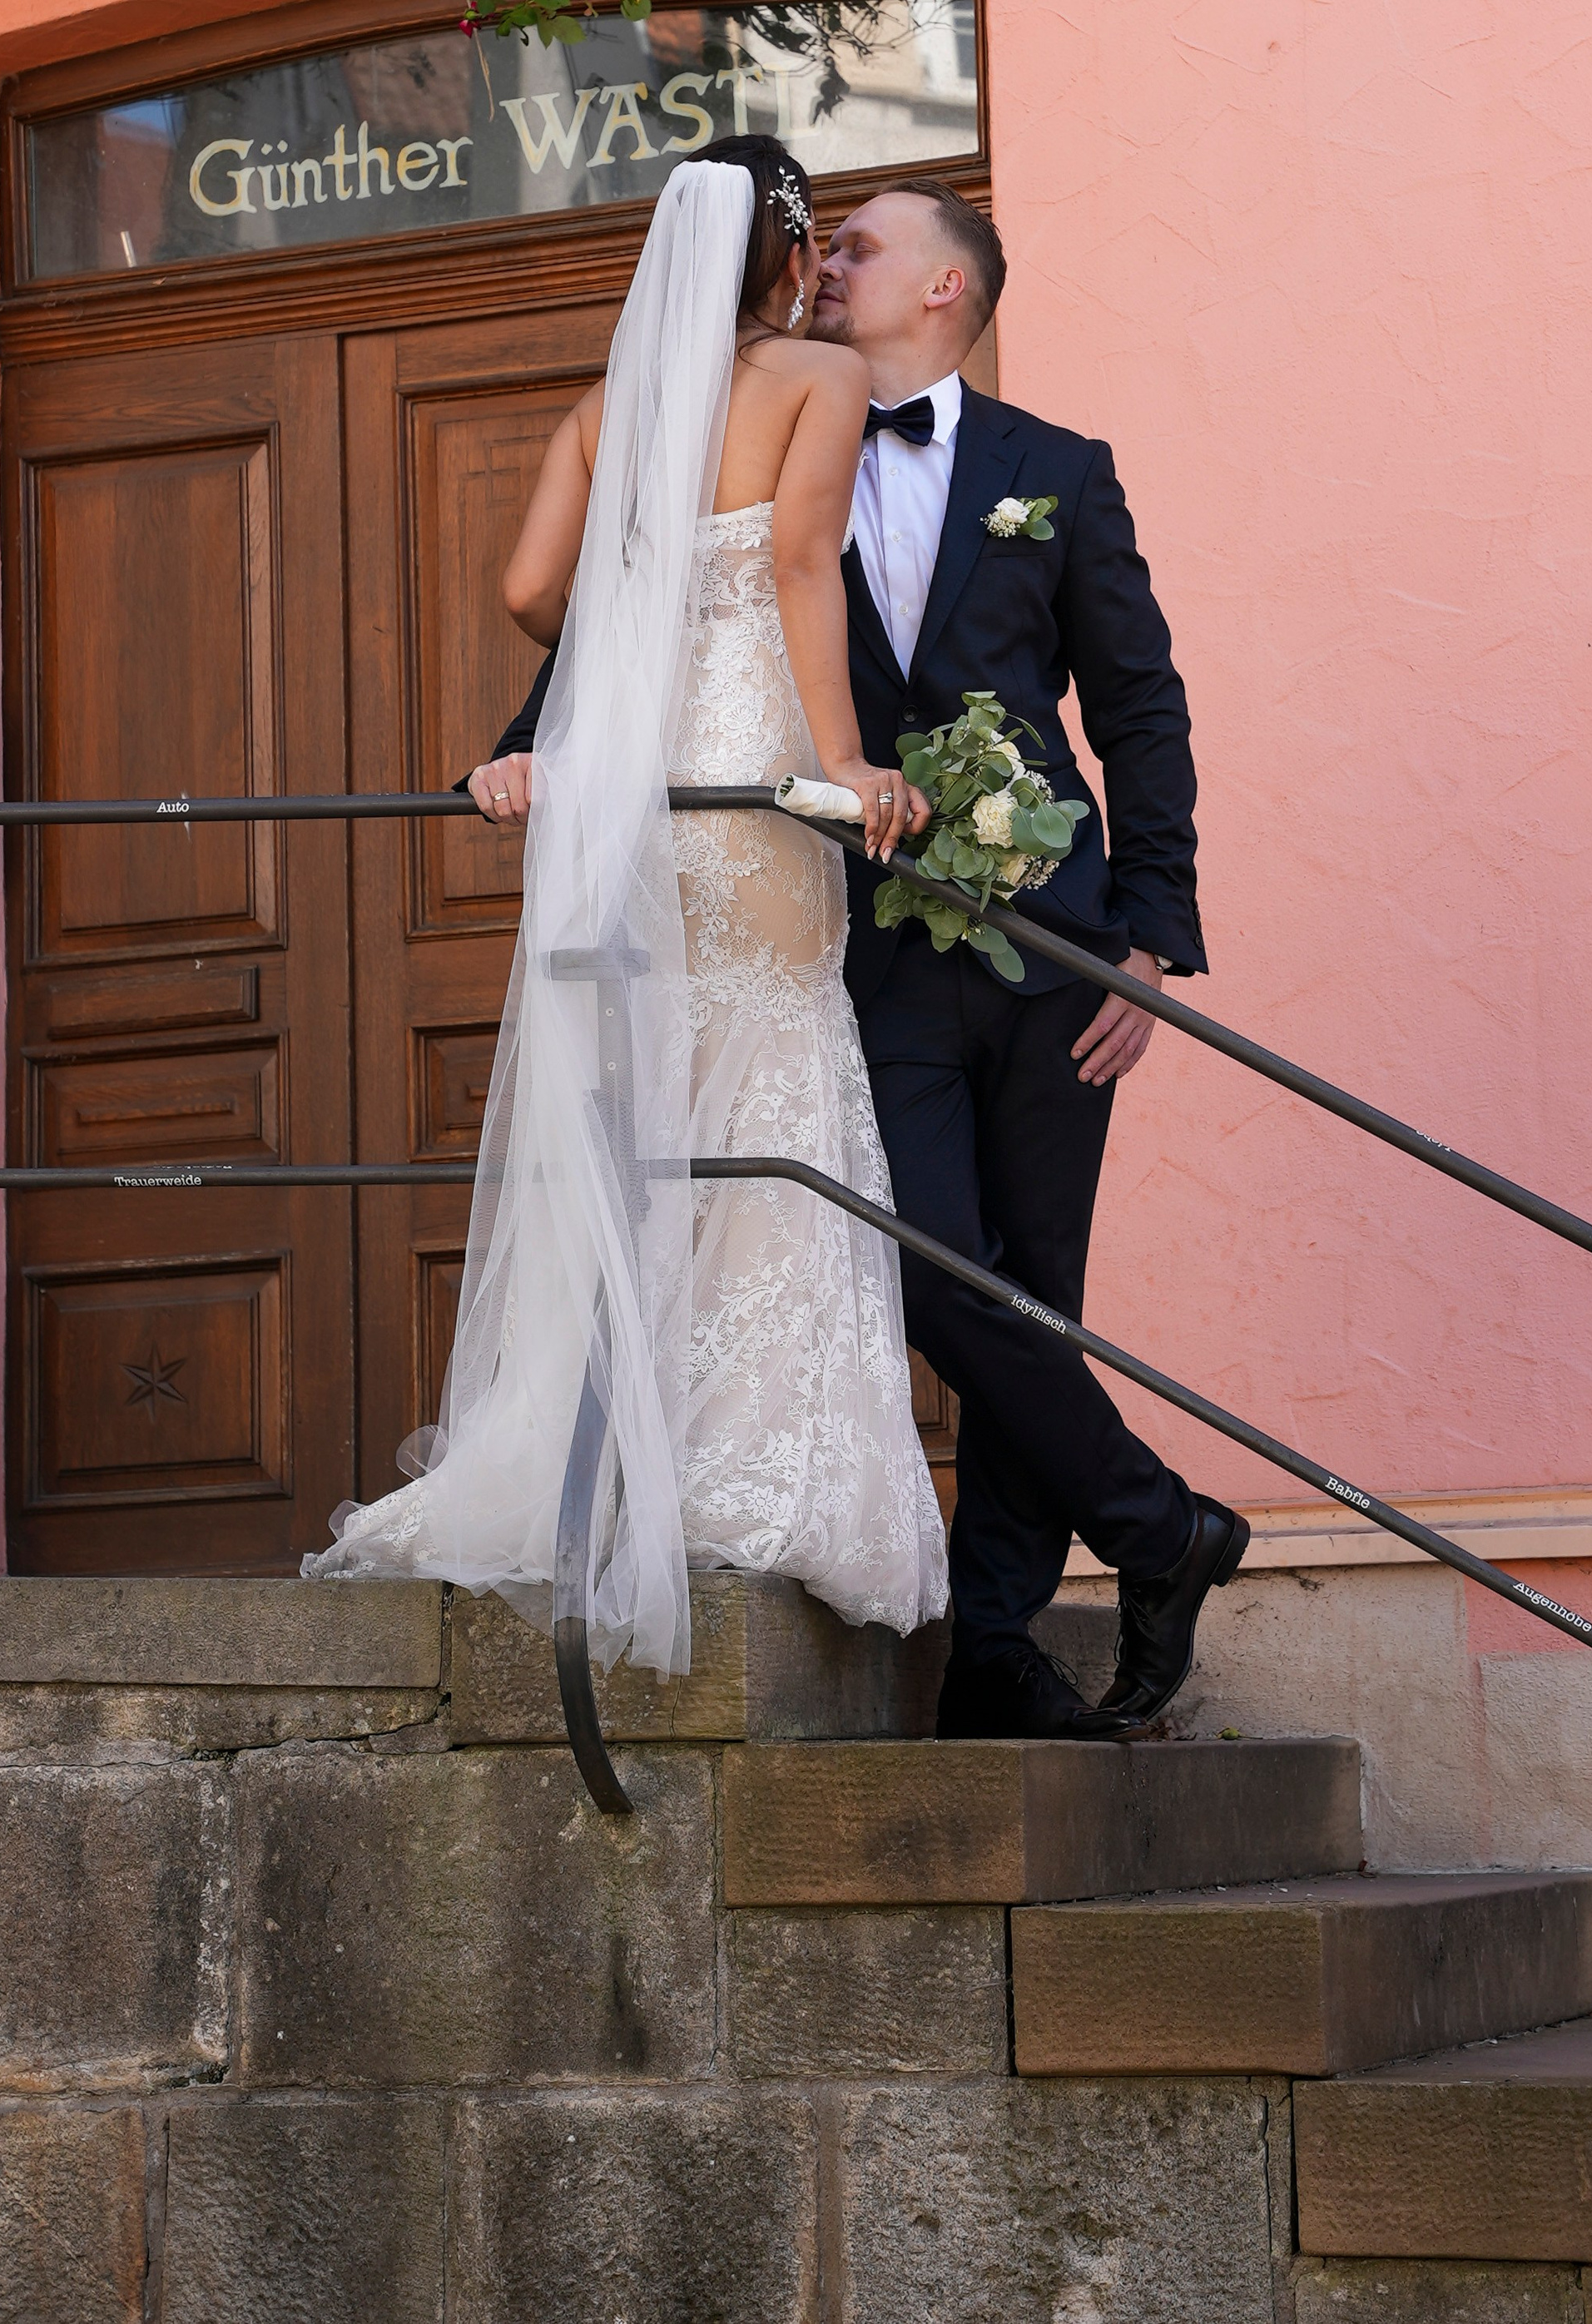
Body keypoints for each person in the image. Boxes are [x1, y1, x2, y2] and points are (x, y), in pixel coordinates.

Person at [465, 172, 1249, 1741]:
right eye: (820, 246)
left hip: (1049, 945)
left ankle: (1001, 1649)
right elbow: (651, 619)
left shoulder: (1059, 474)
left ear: (947, 290)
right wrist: (524, 744)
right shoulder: (743, 420)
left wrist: (1151, 943)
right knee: (927, 1263)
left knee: (1039, 1286)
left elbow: (1139, 709)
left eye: (868, 246)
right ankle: (1164, 1527)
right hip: (857, 941)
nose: (830, 267)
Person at [304, 146, 949, 1667]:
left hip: (617, 779)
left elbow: (533, 596)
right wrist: (845, 763)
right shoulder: (811, 376)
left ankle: (607, 1454)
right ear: (787, 253)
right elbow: (801, 561)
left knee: (637, 1091)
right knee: (770, 1071)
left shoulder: (607, 409)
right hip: (742, 763)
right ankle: (753, 1467)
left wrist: (643, 563)